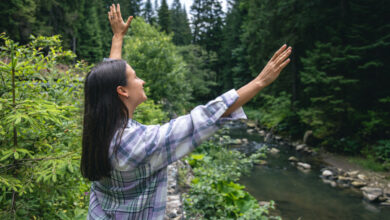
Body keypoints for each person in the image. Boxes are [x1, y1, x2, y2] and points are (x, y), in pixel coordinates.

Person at [80, 4, 292, 220]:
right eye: (135, 77)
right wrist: (259, 82)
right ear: (122, 91)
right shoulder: (138, 144)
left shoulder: (101, 128)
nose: (141, 81)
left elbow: (107, 84)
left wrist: (118, 38)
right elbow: (203, 119)